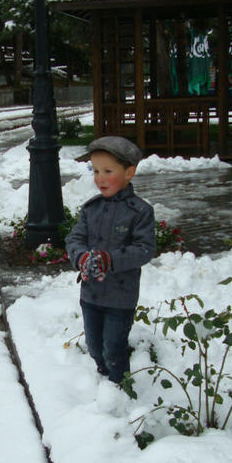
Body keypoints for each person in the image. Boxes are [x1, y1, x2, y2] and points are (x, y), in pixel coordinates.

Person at [66, 136, 156, 384]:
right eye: (95, 171)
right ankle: (103, 377)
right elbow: (74, 239)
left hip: (121, 296)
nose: (99, 178)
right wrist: (82, 257)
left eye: (107, 171)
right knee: (95, 345)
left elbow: (145, 248)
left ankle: (121, 386)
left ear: (129, 172)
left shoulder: (140, 212)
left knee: (113, 346)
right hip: (91, 294)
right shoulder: (90, 209)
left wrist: (109, 260)